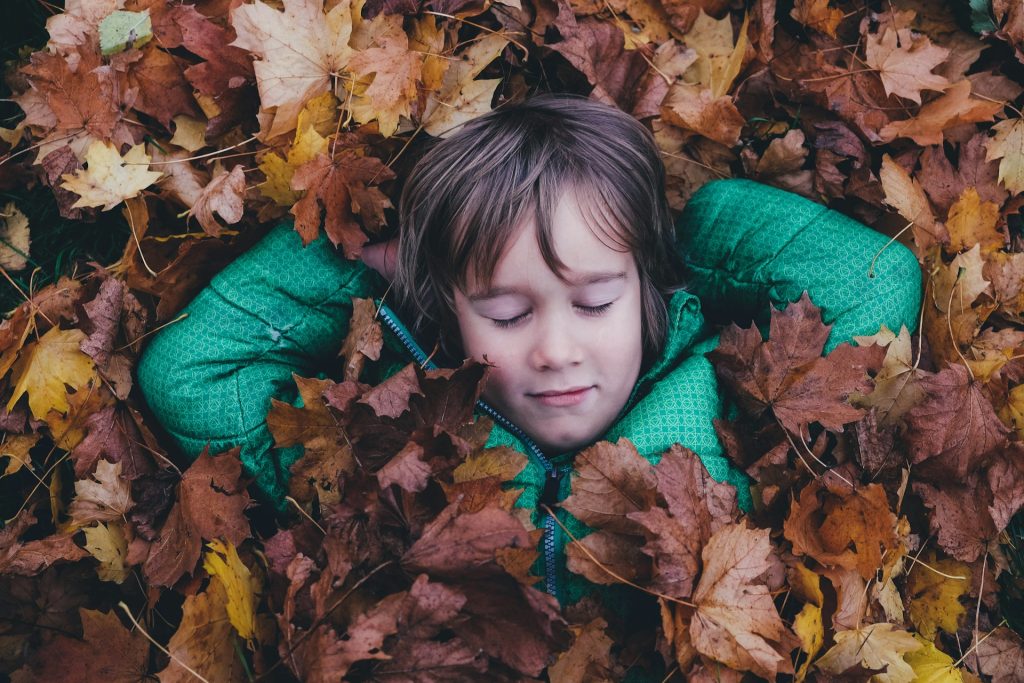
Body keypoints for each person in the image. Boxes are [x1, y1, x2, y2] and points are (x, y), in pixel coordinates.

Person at [136, 93, 923, 611]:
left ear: (644, 288)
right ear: (451, 315)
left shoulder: (731, 398)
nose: (556, 348)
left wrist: (687, 237)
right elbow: (188, 372)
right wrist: (363, 262)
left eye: (595, 301)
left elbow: (877, 281)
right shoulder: (385, 445)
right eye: (507, 312)